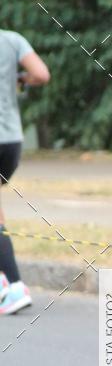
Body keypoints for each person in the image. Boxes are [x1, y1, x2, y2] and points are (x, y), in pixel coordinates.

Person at [0, 29, 50, 315]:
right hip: (11, 141)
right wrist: (20, 79)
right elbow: (41, 74)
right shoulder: (12, 40)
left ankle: (13, 285)